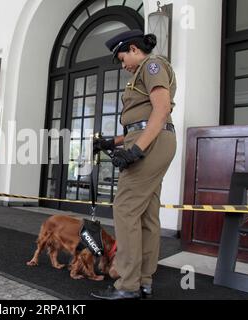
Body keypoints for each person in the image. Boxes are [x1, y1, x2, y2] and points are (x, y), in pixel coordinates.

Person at [91, 30, 177, 300]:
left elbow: (161, 110)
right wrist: (113, 141)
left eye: (121, 58)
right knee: (146, 215)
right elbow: (141, 120)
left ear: (133, 49)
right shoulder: (141, 74)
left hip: (149, 143)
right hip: (152, 139)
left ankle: (127, 283)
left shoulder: (152, 66)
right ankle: (143, 282)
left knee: (125, 208)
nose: (122, 64)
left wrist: (137, 150)